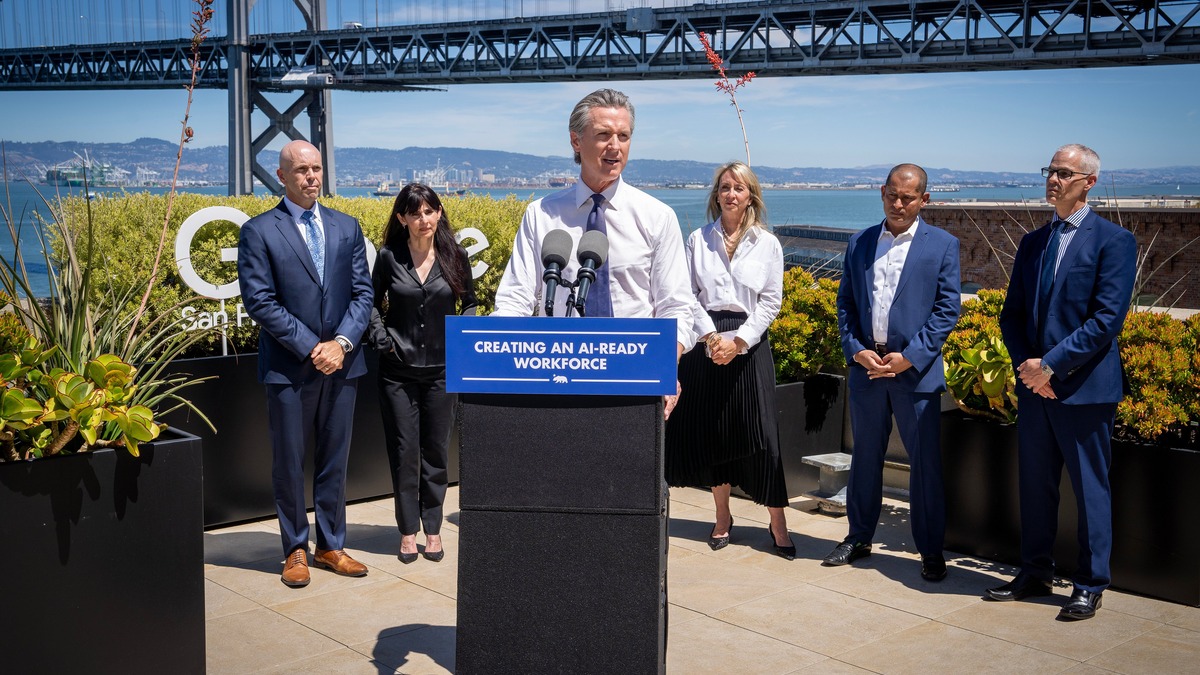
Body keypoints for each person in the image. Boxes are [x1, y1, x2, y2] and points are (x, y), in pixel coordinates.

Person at [988, 144, 1137, 620]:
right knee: (1035, 486)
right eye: (1050, 171)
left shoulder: (1114, 241)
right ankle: (1035, 572)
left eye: (1064, 173)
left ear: (1089, 182)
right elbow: (1011, 316)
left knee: (1090, 489)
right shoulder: (1033, 242)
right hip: (1037, 390)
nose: (1053, 179)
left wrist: (1050, 365)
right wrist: (1029, 370)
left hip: (1084, 389)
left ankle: (1090, 584)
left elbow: (1106, 320)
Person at [491, 88, 696, 402]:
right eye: (603, 135)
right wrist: (490, 352)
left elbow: (676, 306)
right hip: (556, 378)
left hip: (636, 378)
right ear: (576, 141)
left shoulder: (657, 217)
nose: (615, 146)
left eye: (623, 136)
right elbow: (514, 299)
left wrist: (666, 366)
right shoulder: (541, 214)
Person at [237, 139, 374, 587]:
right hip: (290, 367)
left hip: (343, 365)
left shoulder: (347, 227)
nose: (311, 176)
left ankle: (330, 546)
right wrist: (314, 346)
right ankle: (294, 549)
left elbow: (363, 294)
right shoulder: (259, 231)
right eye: (301, 170)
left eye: (316, 168)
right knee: (289, 463)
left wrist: (341, 344)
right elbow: (260, 301)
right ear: (281, 176)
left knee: (335, 459)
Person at [822, 163, 961, 582]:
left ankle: (930, 551)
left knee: (925, 465)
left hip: (914, 374)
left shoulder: (943, 245)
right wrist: (857, 351)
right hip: (867, 370)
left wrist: (910, 357)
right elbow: (846, 304)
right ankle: (858, 537)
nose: (898, 204)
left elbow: (947, 310)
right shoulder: (860, 242)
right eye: (892, 195)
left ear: (924, 200)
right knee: (864, 457)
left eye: (908, 197)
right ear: (882, 192)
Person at [664, 161, 794, 559]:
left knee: (764, 436)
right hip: (706, 341)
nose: (731, 194)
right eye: (724, 187)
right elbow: (686, 295)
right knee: (715, 433)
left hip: (749, 343)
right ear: (716, 195)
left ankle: (777, 521)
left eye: (738, 188)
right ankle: (722, 517)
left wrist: (738, 341)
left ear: (750, 195)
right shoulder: (697, 239)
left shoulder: (768, 244)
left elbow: (771, 302)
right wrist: (711, 338)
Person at [367, 183, 478, 564]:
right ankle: (407, 530)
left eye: (430, 211)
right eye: (415, 213)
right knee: (404, 453)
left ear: (439, 212)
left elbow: (470, 303)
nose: (423, 219)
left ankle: (432, 529)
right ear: (402, 218)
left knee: (435, 452)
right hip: (397, 373)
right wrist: (382, 339)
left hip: (443, 372)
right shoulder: (389, 257)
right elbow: (370, 302)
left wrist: (462, 339)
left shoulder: (455, 255)